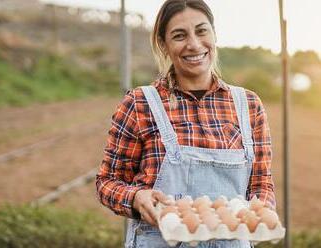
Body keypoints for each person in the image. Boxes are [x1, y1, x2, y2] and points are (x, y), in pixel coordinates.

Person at [96, 0, 276, 247]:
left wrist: (259, 212)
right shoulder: (140, 104)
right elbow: (107, 182)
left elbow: (261, 185)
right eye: (179, 36)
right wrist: (136, 197)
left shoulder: (248, 105)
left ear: (214, 34)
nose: (193, 44)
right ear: (164, 45)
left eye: (201, 31)